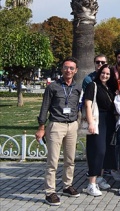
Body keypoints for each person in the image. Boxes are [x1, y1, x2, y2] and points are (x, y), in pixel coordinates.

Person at [36, 57, 82, 206]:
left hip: (72, 126)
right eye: (66, 67)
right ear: (62, 69)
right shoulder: (53, 87)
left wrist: (77, 122)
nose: (68, 70)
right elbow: (45, 107)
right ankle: (50, 192)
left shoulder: (77, 87)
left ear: (75, 71)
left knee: (70, 159)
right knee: (53, 161)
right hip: (56, 125)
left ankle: (67, 186)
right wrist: (41, 126)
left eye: (71, 68)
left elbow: (78, 106)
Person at [83, 64, 118, 196]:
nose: (105, 75)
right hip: (98, 120)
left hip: (109, 121)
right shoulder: (93, 85)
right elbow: (88, 104)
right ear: (99, 73)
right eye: (103, 73)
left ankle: (99, 178)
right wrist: (91, 122)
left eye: (108, 74)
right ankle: (91, 183)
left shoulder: (110, 87)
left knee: (106, 151)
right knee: (97, 151)